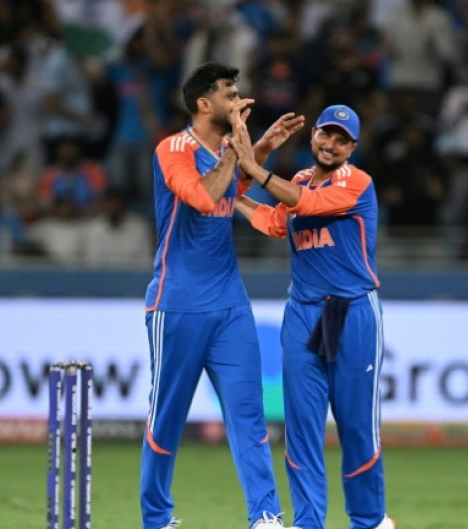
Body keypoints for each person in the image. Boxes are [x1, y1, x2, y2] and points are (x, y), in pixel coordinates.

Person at [141, 62, 305, 529]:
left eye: (238, 93)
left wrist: (263, 146)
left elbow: (234, 190)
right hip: (176, 303)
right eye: (229, 95)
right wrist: (238, 148)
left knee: (250, 416)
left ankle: (266, 516)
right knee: (166, 418)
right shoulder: (171, 149)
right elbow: (205, 197)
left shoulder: (229, 150)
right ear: (204, 104)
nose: (238, 101)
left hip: (230, 304)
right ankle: (157, 519)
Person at [228, 104, 395, 529]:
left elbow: (305, 203)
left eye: (342, 139)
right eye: (326, 134)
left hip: (350, 310)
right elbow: (275, 222)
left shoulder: (357, 183)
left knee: (356, 428)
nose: (331, 144)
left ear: (352, 147)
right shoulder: (299, 178)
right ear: (314, 133)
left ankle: (370, 520)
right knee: (301, 429)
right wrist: (234, 197)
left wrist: (254, 167)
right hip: (302, 312)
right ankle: (308, 523)